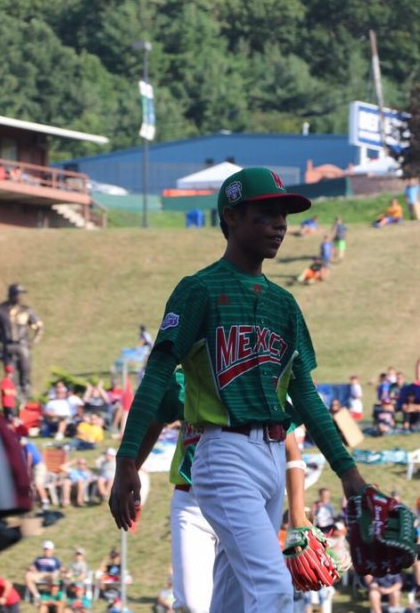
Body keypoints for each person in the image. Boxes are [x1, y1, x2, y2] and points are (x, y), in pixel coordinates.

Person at [109, 167, 369, 613]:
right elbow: (156, 375)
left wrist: (348, 471)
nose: (280, 225)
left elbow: (305, 395)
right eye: (266, 215)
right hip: (223, 453)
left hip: (272, 460)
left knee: (231, 601)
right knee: (272, 589)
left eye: (283, 216)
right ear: (231, 216)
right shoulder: (199, 290)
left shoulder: (284, 303)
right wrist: (127, 459)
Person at [0, 282, 43, 401]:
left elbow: (39, 326)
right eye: (18, 294)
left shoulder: (26, 310)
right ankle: (14, 401)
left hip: (23, 345)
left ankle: (26, 399)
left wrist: (33, 341)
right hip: (7, 346)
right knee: (11, 376)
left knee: (25, 373)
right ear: (11, 294)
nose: (20, 297)